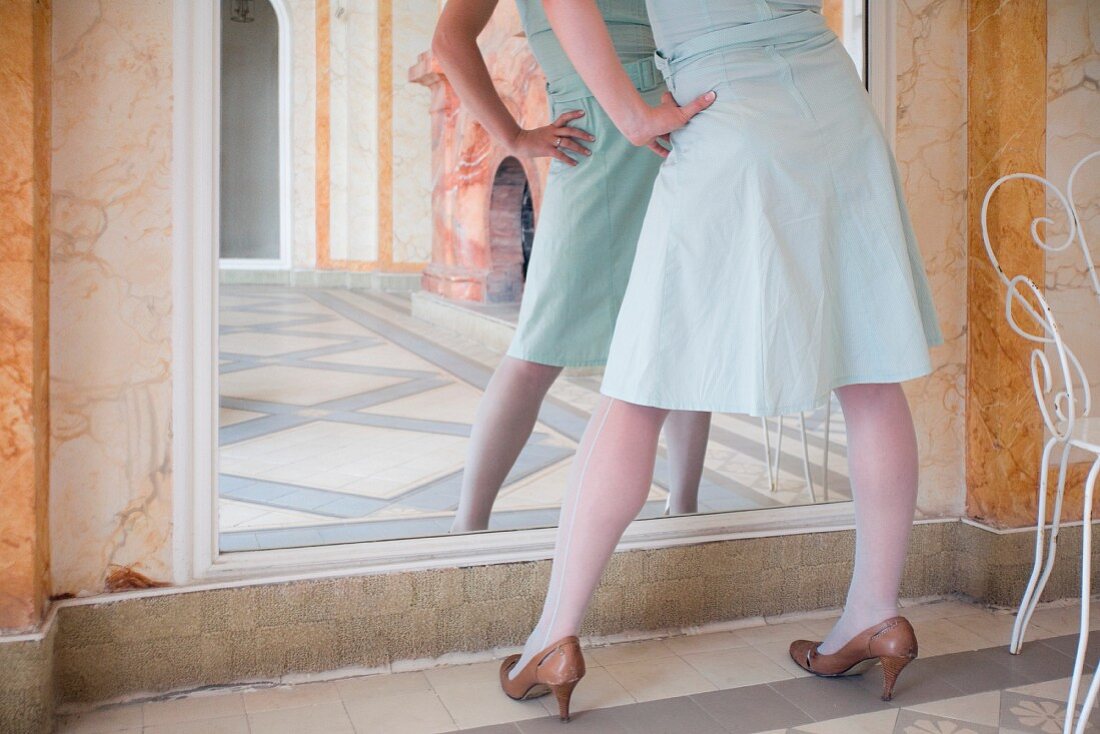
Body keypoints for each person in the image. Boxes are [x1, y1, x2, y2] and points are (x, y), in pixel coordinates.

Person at [498, 0, 944, 719]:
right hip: (833, 100)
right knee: (870, 375)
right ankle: (877, 613)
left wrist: (632, 115)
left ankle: (554, 636)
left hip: (722, 106)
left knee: (640, 385)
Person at [431, 0, 716, 536]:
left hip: (681, 125)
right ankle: (466, 531)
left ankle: (685, 513)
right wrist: (512, 136)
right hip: (599, 136)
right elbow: (449, 40)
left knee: (682, 329)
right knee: (540, 343)